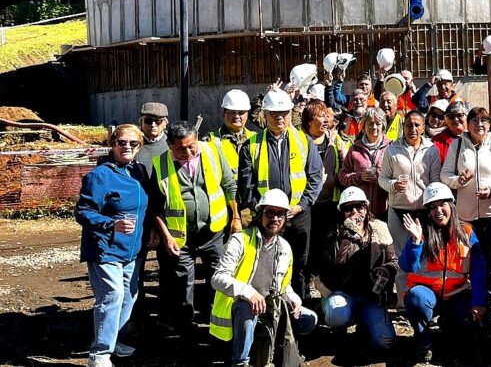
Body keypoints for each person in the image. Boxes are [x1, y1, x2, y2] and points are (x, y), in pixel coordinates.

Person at [152, 120, 240, 334]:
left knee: (219, 275)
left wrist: (236, 217)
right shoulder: (160, 165)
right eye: (181, 149)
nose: (188, 152)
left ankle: (218, 322)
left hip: (214, 233)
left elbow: (229, 186)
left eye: (192, 145)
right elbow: (156, 206)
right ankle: (186, 328)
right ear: (170, 145)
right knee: (183, 283)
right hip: (180, 237)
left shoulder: (213, 152)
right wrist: (166, 236)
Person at [210, 189, 317, 367]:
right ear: (260, 214)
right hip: (240, 310)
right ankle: (240, 361)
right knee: (247, 308)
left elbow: (285, 285)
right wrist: (248, 293)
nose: (275, 219)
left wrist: (294, 300)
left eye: (280, 214)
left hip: (270, 309)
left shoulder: (284, 248)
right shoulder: (240, 240)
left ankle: (274, 351)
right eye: (270, 213)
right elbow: (218, 278)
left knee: (309, 319)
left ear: (285, 219)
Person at [237, 89, 324, 298]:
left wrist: (301, 205)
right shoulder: (251, 145)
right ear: (264, 114)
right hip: (268, 217)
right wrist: (266, 211)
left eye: (284, 113)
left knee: (299, 264)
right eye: (274, 113)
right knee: (266, 262)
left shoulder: (304, 142)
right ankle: (268, 308)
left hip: (298, 215)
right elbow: (246, 185)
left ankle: (297, 311)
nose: (279, 117)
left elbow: (315, 177)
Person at [76, 125, 150, 367]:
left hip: (132, 249)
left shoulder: (138, 171)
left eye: (133, 143)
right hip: (105, 247)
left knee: (129, 296)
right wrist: (111, 224)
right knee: (112, 295)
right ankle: (99, 355)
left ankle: (111, 339)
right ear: (112, 144)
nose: (127, 147)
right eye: (121, 142)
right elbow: (83, 212)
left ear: (139, 146)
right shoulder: (100, 176)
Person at [441, 106, 491, 322]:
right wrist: (458, 181)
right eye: (475, 120)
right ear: (468, 123)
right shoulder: (457, 145)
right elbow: (445, 175)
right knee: (471, 262)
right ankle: (475, 305)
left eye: (484, 121)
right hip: (466, 215)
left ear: (489, 125)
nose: (479, 124)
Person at [400, 182, 487, 362]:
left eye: (442, 205)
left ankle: (449, 325)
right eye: (433, 207)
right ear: (427, 211)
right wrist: (415, 242)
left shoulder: (467, 232)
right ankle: (423, 341)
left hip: (456, 294)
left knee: (469, 328)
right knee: (416, 300)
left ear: (451, 206)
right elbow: (407, 266)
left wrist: (479, 302)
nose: (438, 210)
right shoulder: (421, 231)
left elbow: (479, 270)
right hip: (426, 295)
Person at [320, 187, 398, 353]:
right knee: (337, 314)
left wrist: (386, 270)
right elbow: (337, 264)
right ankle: (339, 328)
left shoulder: (379, 228)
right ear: (342, 211)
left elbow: (394, 261)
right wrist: (350, 234)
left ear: (366, 207)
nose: (355, 212)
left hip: (371, 296)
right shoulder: (334, 233)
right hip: (343, 293)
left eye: (359, 206)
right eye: (349, 208)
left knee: (385, 342)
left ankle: (364, 322)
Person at [378, 110, 442, 303]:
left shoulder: (431, 150)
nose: (412, 129)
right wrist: (393, 185)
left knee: (424, 256)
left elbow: (436, 180)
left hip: (424, 212)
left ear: (423, 127)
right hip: (398, 211)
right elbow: (382, 178)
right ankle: (402, 301)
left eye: (417, 125)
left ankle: (422, 297)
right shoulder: (392, 149)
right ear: (403, 127)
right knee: (400, 256)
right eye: (408, 125)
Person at [300, 100, 347, 290]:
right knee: (309, 245)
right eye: (321, 116)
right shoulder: (301, 142)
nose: (326, 120)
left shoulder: (335, 141)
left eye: (327, 116)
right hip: (309, 203)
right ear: (309, 121)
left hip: (331, 201)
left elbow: (345, 166)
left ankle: (326, 282)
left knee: (328, 244)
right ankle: (308, 282)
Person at [339, 107, 391, 221]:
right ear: (363, 126)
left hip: (385, 210)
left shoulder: (391, 148)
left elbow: (395, 178)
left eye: (378, 123)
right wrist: (359, 177)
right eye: (370, 123)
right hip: (359, 212)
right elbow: (342, 176)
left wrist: (380, 179)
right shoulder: (355, 148)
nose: (374, 127)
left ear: (383, 125)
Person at [207, 89, 255, 180]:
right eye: (232, 112)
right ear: (224, 114)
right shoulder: (211, 141)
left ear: (247, 115)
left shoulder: (255, 138)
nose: (236, 116)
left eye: (241, 112)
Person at [135, 102, 169, 177]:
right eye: (148, 121)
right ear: (140, 122)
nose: (153, 125)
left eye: (158, 121)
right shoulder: (132, 143)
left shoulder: (173, 143)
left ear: (165, 124)